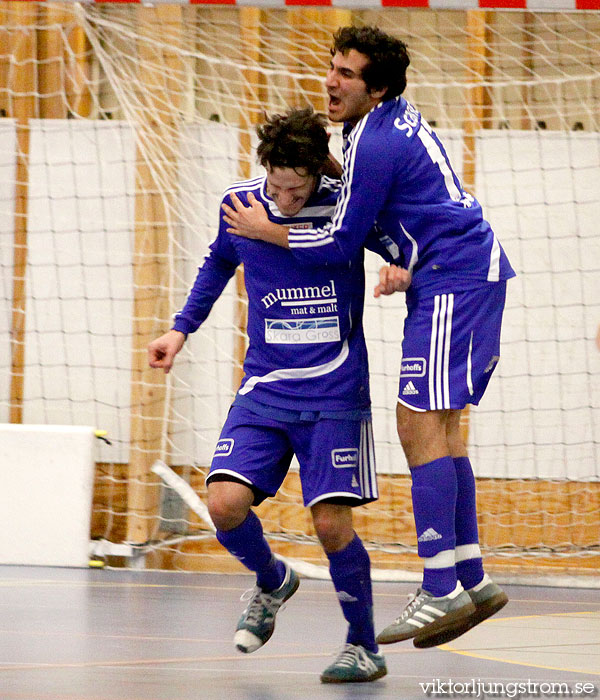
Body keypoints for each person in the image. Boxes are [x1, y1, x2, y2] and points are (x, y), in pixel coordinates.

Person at [222, 25, 515, 650]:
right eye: (331, 68)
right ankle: (469, 575)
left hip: (454, 280)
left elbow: (338, 240)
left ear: (376, 87)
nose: (330, 80)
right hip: (452, 276)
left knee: (418, 425)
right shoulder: (381, 130)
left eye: (347, 74)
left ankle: (440, 589)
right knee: (444, 426)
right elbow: (378, 206)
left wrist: (263, 229)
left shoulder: (376, 141)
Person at [148, 107, 411, 683]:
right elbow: (218, 262)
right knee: (222, 505)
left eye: (298, 189)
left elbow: (393, 243)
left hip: (335, 390)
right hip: (265, 387)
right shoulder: (241, 203)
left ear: (318, 171)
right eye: (278, 187)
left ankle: (363, 645)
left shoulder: (348, 204)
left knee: (331, 525)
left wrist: (400, 268)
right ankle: (272, 580)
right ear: (264, 168)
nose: (286, 199)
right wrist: (179, 329)